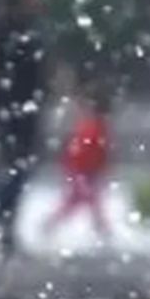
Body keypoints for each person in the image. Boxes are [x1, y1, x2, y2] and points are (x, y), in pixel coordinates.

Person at [0, 0, 47, 257]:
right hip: (9, 109)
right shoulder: (4, 29)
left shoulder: (26, 28)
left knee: (17, 169)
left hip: (22, 109)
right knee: (16, 169)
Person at [41, 82, 112, 243]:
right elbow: (87, 151)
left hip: (84, 171)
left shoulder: (91, 125)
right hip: (83, 172)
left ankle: (51, 225)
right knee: (87, 202)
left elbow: (93, 151)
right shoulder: (92, 126)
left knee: (81, 202)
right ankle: (101, 228)